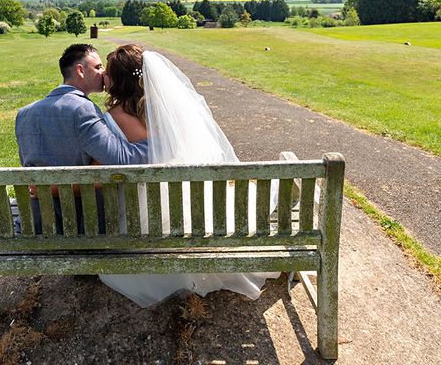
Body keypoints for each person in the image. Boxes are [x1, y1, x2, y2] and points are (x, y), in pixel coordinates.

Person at [99, 44, 280, 307]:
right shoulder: (169, 111)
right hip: (188, 197)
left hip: (143, 208)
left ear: (119, 79)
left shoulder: (112, 117)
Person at [15, 43, 149, 234]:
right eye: (98, 67)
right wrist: (160, 146)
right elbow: (121, 159)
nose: (103, 73)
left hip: (34, 223)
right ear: (80, 70)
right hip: (81, 226)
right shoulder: (83, 110)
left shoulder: (23, 114)